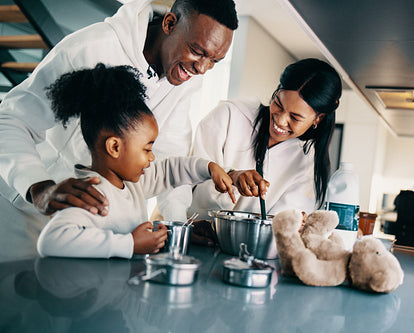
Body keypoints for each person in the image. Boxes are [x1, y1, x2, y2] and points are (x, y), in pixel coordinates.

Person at [0, 0, 238, 260]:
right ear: (170, 24)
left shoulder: (183, 78)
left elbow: (170, 155)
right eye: (197, 51)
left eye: (214, 60)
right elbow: (11, 119)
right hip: (23, 210)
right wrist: (39, 188)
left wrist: (178, 224)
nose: (202, 69)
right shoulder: (92, 47)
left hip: (92, 231)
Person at [36, 64, 235, 258]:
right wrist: (130, 244)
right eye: (147, 148)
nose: (152, 157)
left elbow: (170, 170)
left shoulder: (133, 184)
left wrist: (209, 168)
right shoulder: (91, 194)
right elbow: (51, 240)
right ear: (115, 147)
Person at [187, 58, 342, 221]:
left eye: (295, 117)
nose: (280, 121)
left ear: (318, 118)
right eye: (278, 104)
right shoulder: (229, 115)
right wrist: (231, 176)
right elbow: (188, 173)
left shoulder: (306, 163)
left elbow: (282, 225)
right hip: (193, 232)